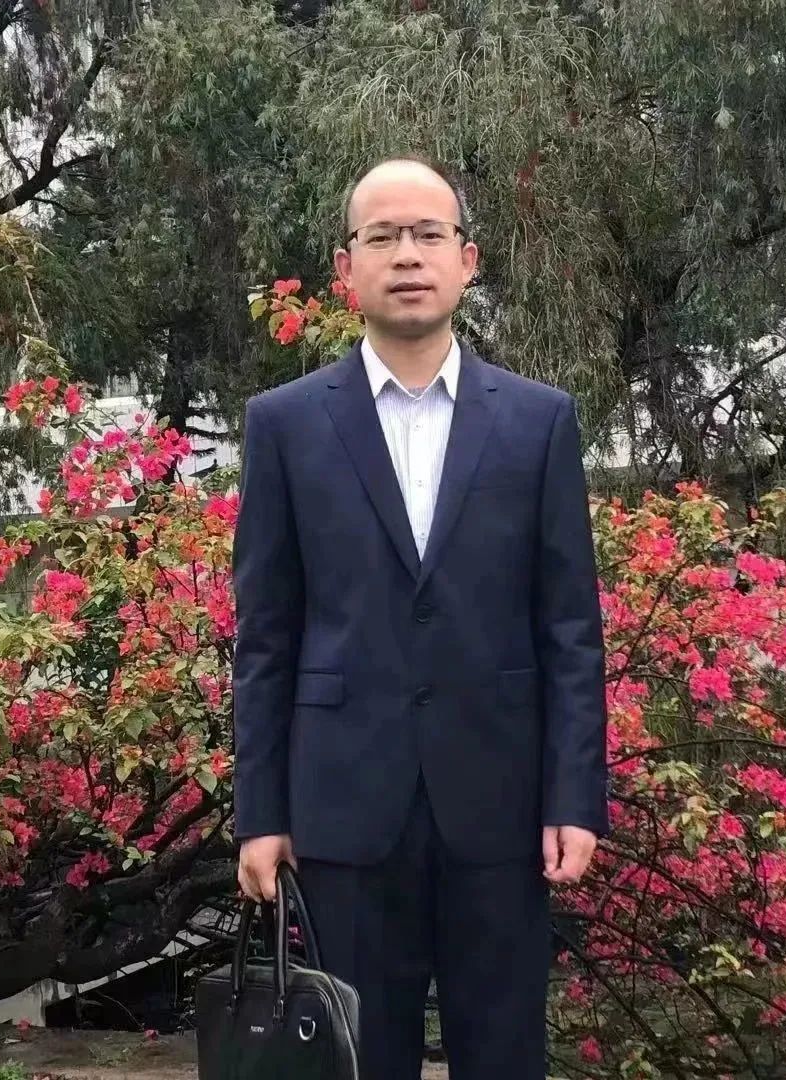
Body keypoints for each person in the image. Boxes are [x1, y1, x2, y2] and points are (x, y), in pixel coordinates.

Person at [232, 155, 608, 1080]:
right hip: (343, 811)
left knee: (505, 1056)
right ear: (345, 267)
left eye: (429, 235)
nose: (407, 255)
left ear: (466, 260)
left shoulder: (537, 422)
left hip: (502, 807)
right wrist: (260, 813)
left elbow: (569, 631)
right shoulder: (285, 425)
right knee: (362, 1063)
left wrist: (572, 798)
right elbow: (266, 638)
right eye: (383, 236)